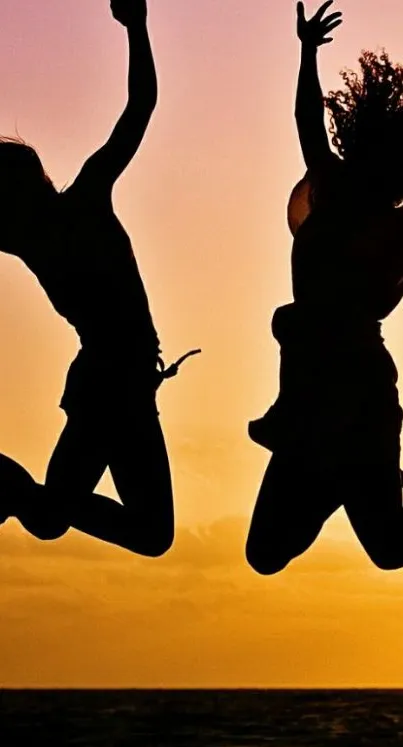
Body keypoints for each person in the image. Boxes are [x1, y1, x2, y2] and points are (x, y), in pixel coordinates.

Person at [0, 0, 199, 555]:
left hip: (112, 382)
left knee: (47, 517)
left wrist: (136, 27)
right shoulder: (77, 204)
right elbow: (141, 107)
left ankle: (11, 487)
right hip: (116, 384)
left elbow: (140, 108)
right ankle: (10, 486)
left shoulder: (30, 238)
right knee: (143, 532)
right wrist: (137, 27)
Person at [246, 1, 403, 574]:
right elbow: (307, 120)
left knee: (390, 552)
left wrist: (308, 53)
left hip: (356, 392)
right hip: (311, 395)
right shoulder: (332, 186)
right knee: (264, 554)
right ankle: (346, 480)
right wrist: (307, 53)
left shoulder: (393, 222)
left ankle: (353, 476)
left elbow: (308, 124)